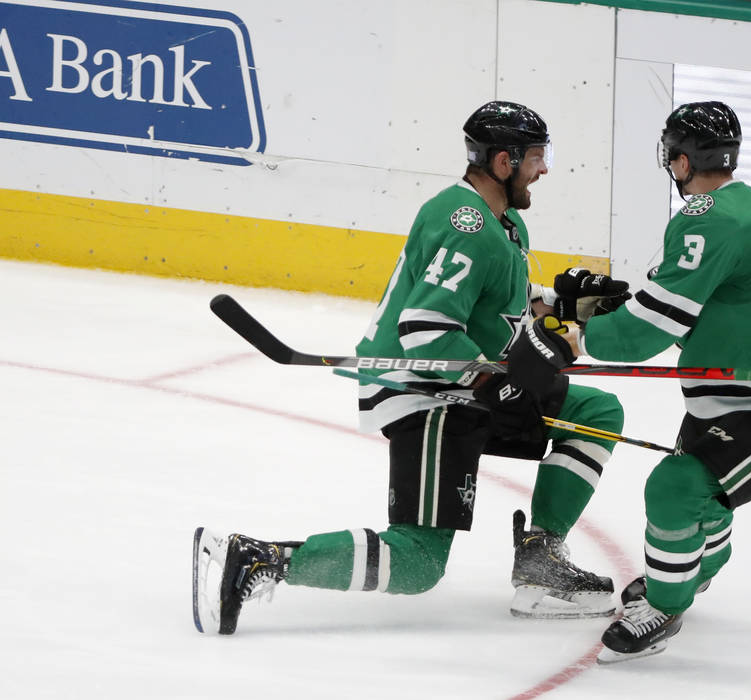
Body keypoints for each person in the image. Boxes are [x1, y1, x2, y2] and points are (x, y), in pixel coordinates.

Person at [192, 101, 632, 635]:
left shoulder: (502, 219)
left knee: (595, 409)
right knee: (417, 562)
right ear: (502, 162)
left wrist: (561, 303)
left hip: (467, 386)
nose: (545, 168)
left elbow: (497, 301)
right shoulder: (466, 224)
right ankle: (258, 558)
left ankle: (540, 557)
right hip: (428, 392)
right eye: (537, 157)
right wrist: (496, 381)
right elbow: (425, 329)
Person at [570, 101, 751, 663]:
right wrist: (600, 310)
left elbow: (648, 331)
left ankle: (666, 606)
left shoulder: (710, 218)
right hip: (741, 381)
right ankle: (695, 568)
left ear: (681, 159)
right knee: (699, 488)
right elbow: (699, 305)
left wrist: (579, 339)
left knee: (676, 487)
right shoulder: (738, 203)